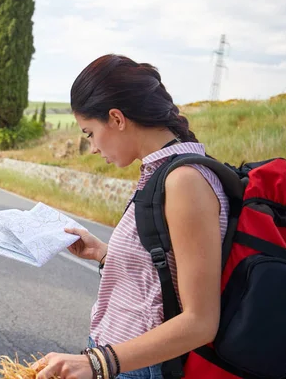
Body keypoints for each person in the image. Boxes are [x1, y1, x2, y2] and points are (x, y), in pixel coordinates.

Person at [32, 54, 229, 379]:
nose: (92, 147)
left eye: (90, 133)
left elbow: (200, 321)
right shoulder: (162, 174)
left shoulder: (184, 182)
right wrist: (103, 253)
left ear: (117, 118)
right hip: (120, 360)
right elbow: (164, 279)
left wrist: (97, 363)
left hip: (136, 368)